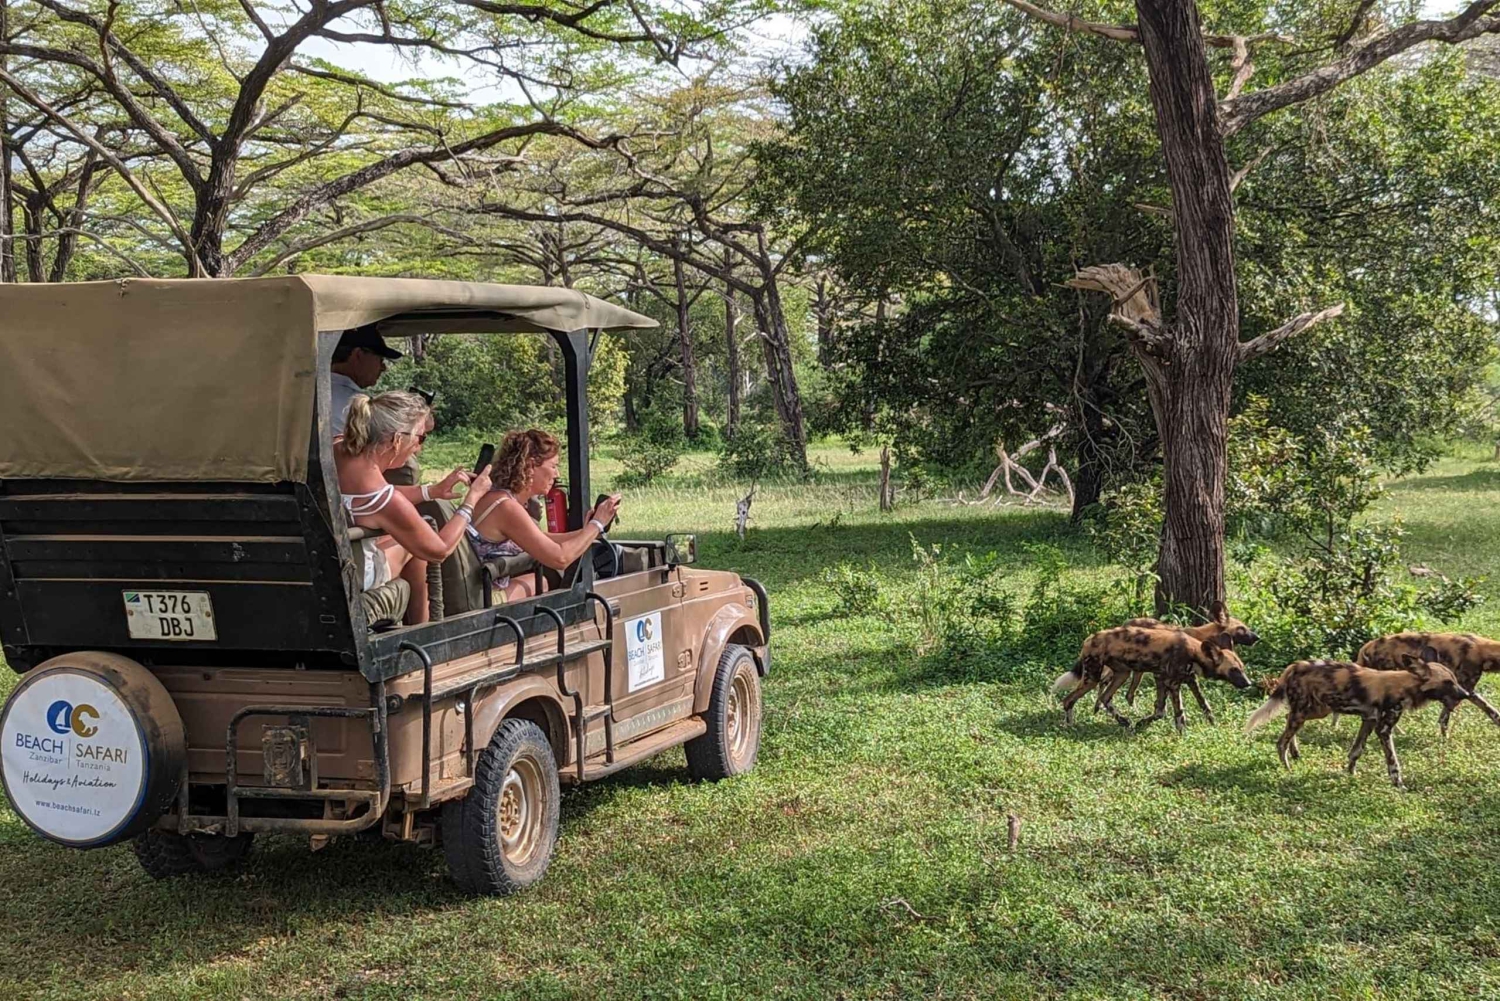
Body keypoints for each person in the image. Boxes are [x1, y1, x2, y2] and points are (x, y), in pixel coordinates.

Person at [335, 391, 493, 626]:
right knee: (414, 548)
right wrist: (472, 499)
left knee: (402, 539)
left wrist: (431, 491)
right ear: (397, 439)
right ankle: (422, 629)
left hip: (326, 559)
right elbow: (439, 549)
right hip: (351, 574)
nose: (419, 449)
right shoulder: (385, 501)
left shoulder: (336, 448)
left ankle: (418, 625)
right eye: (420, 438)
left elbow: (367, 497)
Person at [468, 428, 620, 602]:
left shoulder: (497, 496)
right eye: (553, 466)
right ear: (531, 466)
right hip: (483, 598)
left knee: (538, 581)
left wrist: (587, 532)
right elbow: (560, 558)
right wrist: (597, 524)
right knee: (542, 582)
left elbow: (540, 538)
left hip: (480, 589)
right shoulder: (506, 507)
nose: (557, 474)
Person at [330, 325, 403, 437]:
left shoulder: (312, 391)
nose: (383, 368)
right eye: (380, 359)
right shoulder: (356, 403)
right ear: (359, 355)